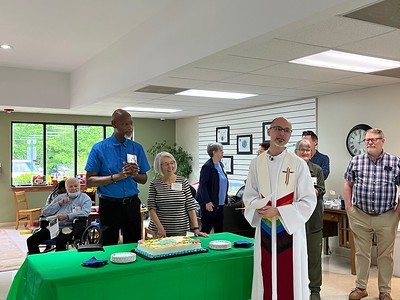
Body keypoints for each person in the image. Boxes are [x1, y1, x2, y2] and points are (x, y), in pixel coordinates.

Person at [243, 117, 316, 300]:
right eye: (277, 129)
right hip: (265, 229)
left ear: (290, 135)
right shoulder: (256, 163)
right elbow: (249, 195)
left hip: (288, 230)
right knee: (265, 275)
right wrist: (256, 207)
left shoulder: (298, 164)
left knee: (288, 278)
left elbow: (308, 200)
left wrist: (279, 211)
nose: (281, 133)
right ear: (269, 131)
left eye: (286, 130)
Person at [344, 128, 400, 300]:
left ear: (382, 141)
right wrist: (349, 208)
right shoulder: (356, 161)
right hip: (360, 214)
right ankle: (361, 288)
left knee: (385, 255)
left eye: (374, 139)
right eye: (367, 140)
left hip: (387, 215)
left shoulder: (395, 161)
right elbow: (348, 184)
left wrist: (397, 213)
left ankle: (385, 291)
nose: (369, 142)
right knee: (361, 253)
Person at [85, 109, 150, 246]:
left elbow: (144, 179)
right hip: (109, 205)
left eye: (131, 123)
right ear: (114, 124)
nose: (130, 127)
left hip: (132, 204)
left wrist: (134, 174)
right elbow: (90, 181)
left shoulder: (137, 148)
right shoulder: (99, 148)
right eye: (125, 124)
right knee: (108, 245)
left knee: (133, 245)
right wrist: (117, 177)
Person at [147, 152, 208, 238]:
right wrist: (160, 228)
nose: (170, 166)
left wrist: (196, 228)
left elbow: (190, 205)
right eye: (166, 164)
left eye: (172, 163)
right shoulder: (154, 183)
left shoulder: (183, 181)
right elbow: (151, 208)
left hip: (179, 229)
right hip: (159, 230)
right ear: (159, 166)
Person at [27, 178, 92, 254]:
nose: (74, 188)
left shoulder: (85, 198)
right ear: (66, 188)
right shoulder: (60, 197)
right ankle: (37, 262)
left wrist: (67, 216)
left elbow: (85, 212)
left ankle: (59, 263)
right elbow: (45, 212)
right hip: (54, 226)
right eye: (71, 187)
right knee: (31, 240)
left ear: (79, 186)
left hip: (71, 227)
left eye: (76, 186)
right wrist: (59, 203)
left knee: (60, 240)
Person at [295, 139, 325, 300]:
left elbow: (320, 190)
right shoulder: (290, 170)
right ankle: (295, 288)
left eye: (308, 150)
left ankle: (315, 291)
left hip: (313, 222)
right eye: (302, 149)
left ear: (312, 152)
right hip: (294, 222)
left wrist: (306, 191)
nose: (305, 152)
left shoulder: (317, 170)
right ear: (296, 151)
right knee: (294, 258)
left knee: (314, 258)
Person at [196, 143, 229, 234]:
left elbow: (223, 183)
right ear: (214, 152)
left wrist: (226, 198)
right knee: (207, 228)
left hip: (220, 203)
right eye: (221, 150)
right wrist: (207, 201)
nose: (223, 152)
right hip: (210, 203)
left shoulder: (220, 165)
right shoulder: (207, 166)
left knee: (219, 229)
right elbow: (203, 185)